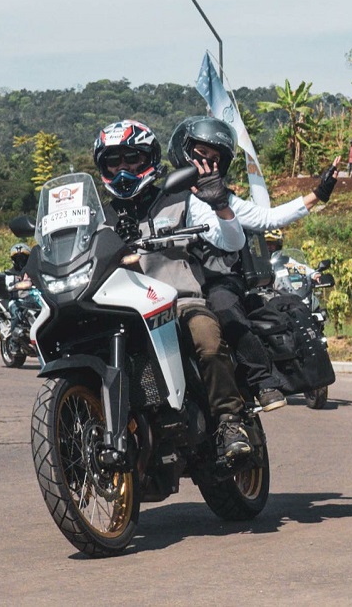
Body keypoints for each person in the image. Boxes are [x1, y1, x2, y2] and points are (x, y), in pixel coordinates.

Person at [94, 119, 252, 458]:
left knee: (207, 338)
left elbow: (232, 240)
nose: (123, 168)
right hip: (119, 309)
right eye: (113, 161)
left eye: (131, 158)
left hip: (178, 301)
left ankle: (229, 421)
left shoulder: (181, 198)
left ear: (149, 158)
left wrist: (221, 204)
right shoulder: (98, 219)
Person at [167, 116, 338, 411]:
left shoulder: (223, 198)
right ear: (184, 149)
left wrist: (318, 194)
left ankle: (263, 381)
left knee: (224, 309)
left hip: (215, 278)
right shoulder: (164, 196)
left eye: (214, 158)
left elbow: (265, 220)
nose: (207, 161)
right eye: (201, 153)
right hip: (171, 280)